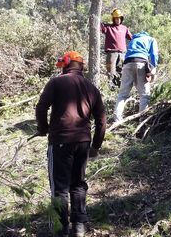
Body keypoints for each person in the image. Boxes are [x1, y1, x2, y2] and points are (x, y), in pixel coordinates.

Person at [35, 51, 106, 237]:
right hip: (83, 142)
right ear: (81, 67)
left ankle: (61, 230)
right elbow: (101, 120)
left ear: (66, 65)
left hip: (60, 141)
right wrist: (95, 146)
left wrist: (43, 129)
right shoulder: (91, 87)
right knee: (78, 184)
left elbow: (41, 107)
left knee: (60, 188)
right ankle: (79, 227)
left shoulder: (56, 83)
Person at [114, 31, 158, 122]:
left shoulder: (133, 40)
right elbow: (154, 54)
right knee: (144, 95)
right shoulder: (151, 39)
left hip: (127, 64)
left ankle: (117, 119)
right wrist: (153, 66)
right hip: (141, 63)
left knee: (122, 95)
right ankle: (142, 120)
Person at [100, 8, 133, 89]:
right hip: (111, 54)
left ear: (121, 19)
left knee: (122, 71)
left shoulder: (124, 28)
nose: (118, 20)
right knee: (111, 72)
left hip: (122, 54)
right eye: (116, 18)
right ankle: (111, 89)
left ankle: (120, 88)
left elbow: (132, 38)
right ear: (113, 19)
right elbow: (98, 25)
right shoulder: (108, 27)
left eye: (119, 18)